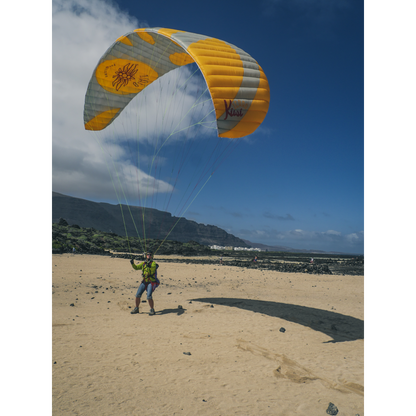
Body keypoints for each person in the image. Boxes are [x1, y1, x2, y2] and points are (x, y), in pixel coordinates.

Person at [130, 251, 159, 315]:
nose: (148, 255)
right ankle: (136, 308)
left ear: (151, 256)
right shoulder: (143, 264)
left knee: (149, 296)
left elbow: (153, 268)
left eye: (149, 254)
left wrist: (148, 264)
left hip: (151, 282)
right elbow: (136, 267)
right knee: (137, 295)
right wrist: (132, 264)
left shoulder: (153, 263)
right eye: (147, 254)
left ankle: (152, 309)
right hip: (144, 281)